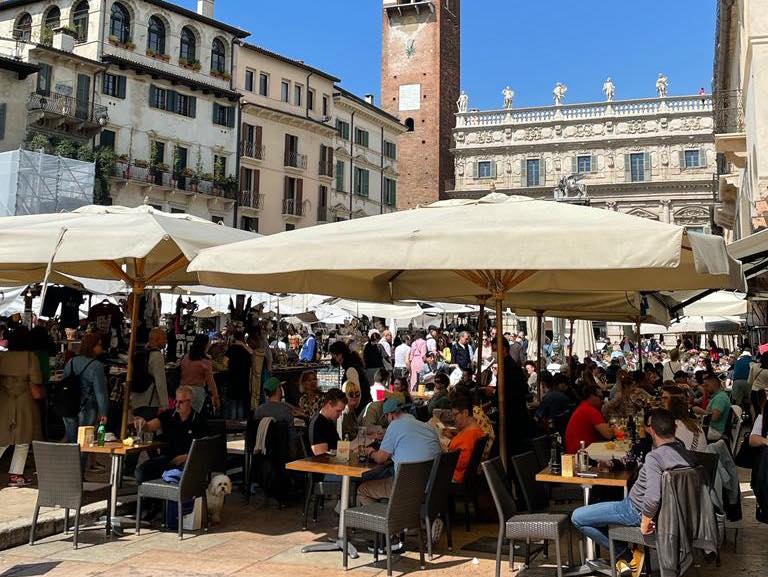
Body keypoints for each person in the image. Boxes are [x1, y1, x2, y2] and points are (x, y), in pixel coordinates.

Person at [571, 409, 695, 577]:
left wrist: (645, 521)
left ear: (652, 430)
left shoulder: (655, 457)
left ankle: (627, 556)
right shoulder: (684, 453)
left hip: (633, 510)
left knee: (578, 517)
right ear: (675, 429)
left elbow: (652, 497)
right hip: (669, 516)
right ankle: (628, 557)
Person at [359, 398, 441, 505]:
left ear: (390, 415)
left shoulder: (395, 425)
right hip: (432, 488)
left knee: (363, 489)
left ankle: (385, 520)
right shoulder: (428, 427)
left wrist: (369, 451)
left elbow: (380, 458)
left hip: (407, 488)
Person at [134, 385, 208, 484]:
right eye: (176, 401)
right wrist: (143, 423)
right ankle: (150, 497)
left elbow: (203, 449)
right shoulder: (169, 415)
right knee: (141, 472)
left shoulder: (199, 420)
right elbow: (150, 426)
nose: (177, 405)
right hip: (167, 458)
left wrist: (186, 457)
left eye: (181, 402)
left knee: (177, 474)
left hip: (188, 461)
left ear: (190, 402)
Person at [0, 328, 43, 486]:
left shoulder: (2, 356)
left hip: (4, 400)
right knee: (23, 439)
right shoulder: (30, 357)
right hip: (24, 399)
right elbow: (36, 380)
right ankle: (15, 475)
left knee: (2, 438)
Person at [62, 333, 109, 448]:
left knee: (71, 442)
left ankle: (70, 465)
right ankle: (80, 466)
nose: (101, 348)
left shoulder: (71, 362)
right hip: (87, 407)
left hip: (69, 406)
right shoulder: (96, 366)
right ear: (92, 346)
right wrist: (104, 412)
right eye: (99, 345)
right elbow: (100, 392)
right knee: (84, 444)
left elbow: (64, 382)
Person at [564, 384, 614, 454]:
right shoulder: (590, 410)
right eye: (600, 397)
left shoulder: (584, 406)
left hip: (575, 450)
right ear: (591, 396)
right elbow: (608, 434)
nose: (602, 401)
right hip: (581, 454)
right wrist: (617, 427)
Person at [448, 395, 485, 483]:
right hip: (459, 474)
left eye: (455, 415)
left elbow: (461, 463)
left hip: (455, 476)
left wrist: (446, 454)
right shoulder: (474, 429)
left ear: (465, 413)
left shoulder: (471, 434)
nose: (453, 418)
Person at [180, 334, 220, 414]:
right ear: (204, 345)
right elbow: (211, 382)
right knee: (194, 416)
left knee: (183, 416)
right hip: (197, 392)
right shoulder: (205, 361)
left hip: (182, 390)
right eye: (209, 343)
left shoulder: (186, 358)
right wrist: (216, 397)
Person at [329, 341, 372, 411]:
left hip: (361, 410)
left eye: (334, 356)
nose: (333, 359)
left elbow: (356, 394)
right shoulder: (354, 364)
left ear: (340, 355)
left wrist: (350, 411)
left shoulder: (351, 369)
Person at [662, 385, 706, 451]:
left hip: (686, 460)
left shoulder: (671, 428)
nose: (662, 401)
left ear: (674, 402)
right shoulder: (695, 425)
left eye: (665, 398)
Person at [693, 372, 731, 442]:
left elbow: (714, 417)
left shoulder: (720, 398)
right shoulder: (718, 396)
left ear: (715, 384)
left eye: (707, 385)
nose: (705, 387)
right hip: (712, 428)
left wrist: (700, 411)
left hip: (714, 431)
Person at [309, 388, 347, 456]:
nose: (340, 414)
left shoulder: (329, 421)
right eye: (338, 411)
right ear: (329, 405)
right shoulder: (318, 424)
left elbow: (338, 445)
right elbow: (321, 456)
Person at [224, 330, 251, 419]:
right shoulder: (247, 350)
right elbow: (253, 356)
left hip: (232, 379)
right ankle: (240, 426)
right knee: (241, 404)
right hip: (244, 380)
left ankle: (232, 427)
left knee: (232, 403)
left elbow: (224, 362)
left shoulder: (231, 349)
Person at [748, 352, 768, 419]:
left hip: (754, 391)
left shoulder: (754, 366)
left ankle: (755, 427)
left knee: (757, 413)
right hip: (764, 394)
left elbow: (749, 381)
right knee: (764, 413)